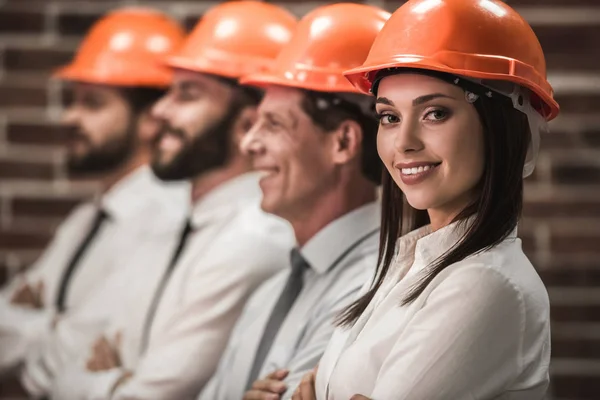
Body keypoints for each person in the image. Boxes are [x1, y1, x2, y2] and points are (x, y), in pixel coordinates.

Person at [295, 0, 559, 399]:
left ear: (502, 126)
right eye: (389, 117)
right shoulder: (408, 264)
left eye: (435, 113)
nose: (404, 143)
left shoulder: (484, 283)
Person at [46, 2, 297, 399]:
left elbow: (152, 396)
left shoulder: (253, 238)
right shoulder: (171, 222)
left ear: (247, 123)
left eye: (187, 95)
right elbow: (70, 359)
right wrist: (113, 380)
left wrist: (104, 380)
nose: (160, 110)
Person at [199, 4, 389, 400]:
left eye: (274, 125)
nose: (249, 144)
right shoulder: (271, 293)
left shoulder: (372, 288)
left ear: (343, 143)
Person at [0, 7, 188, 381]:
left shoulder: (169, 219)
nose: (70, 117)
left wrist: (40, 319)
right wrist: (51, 328)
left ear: (152, 118)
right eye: (73, 100)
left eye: (93, 103)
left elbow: (78, 356)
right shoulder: (86, 218)